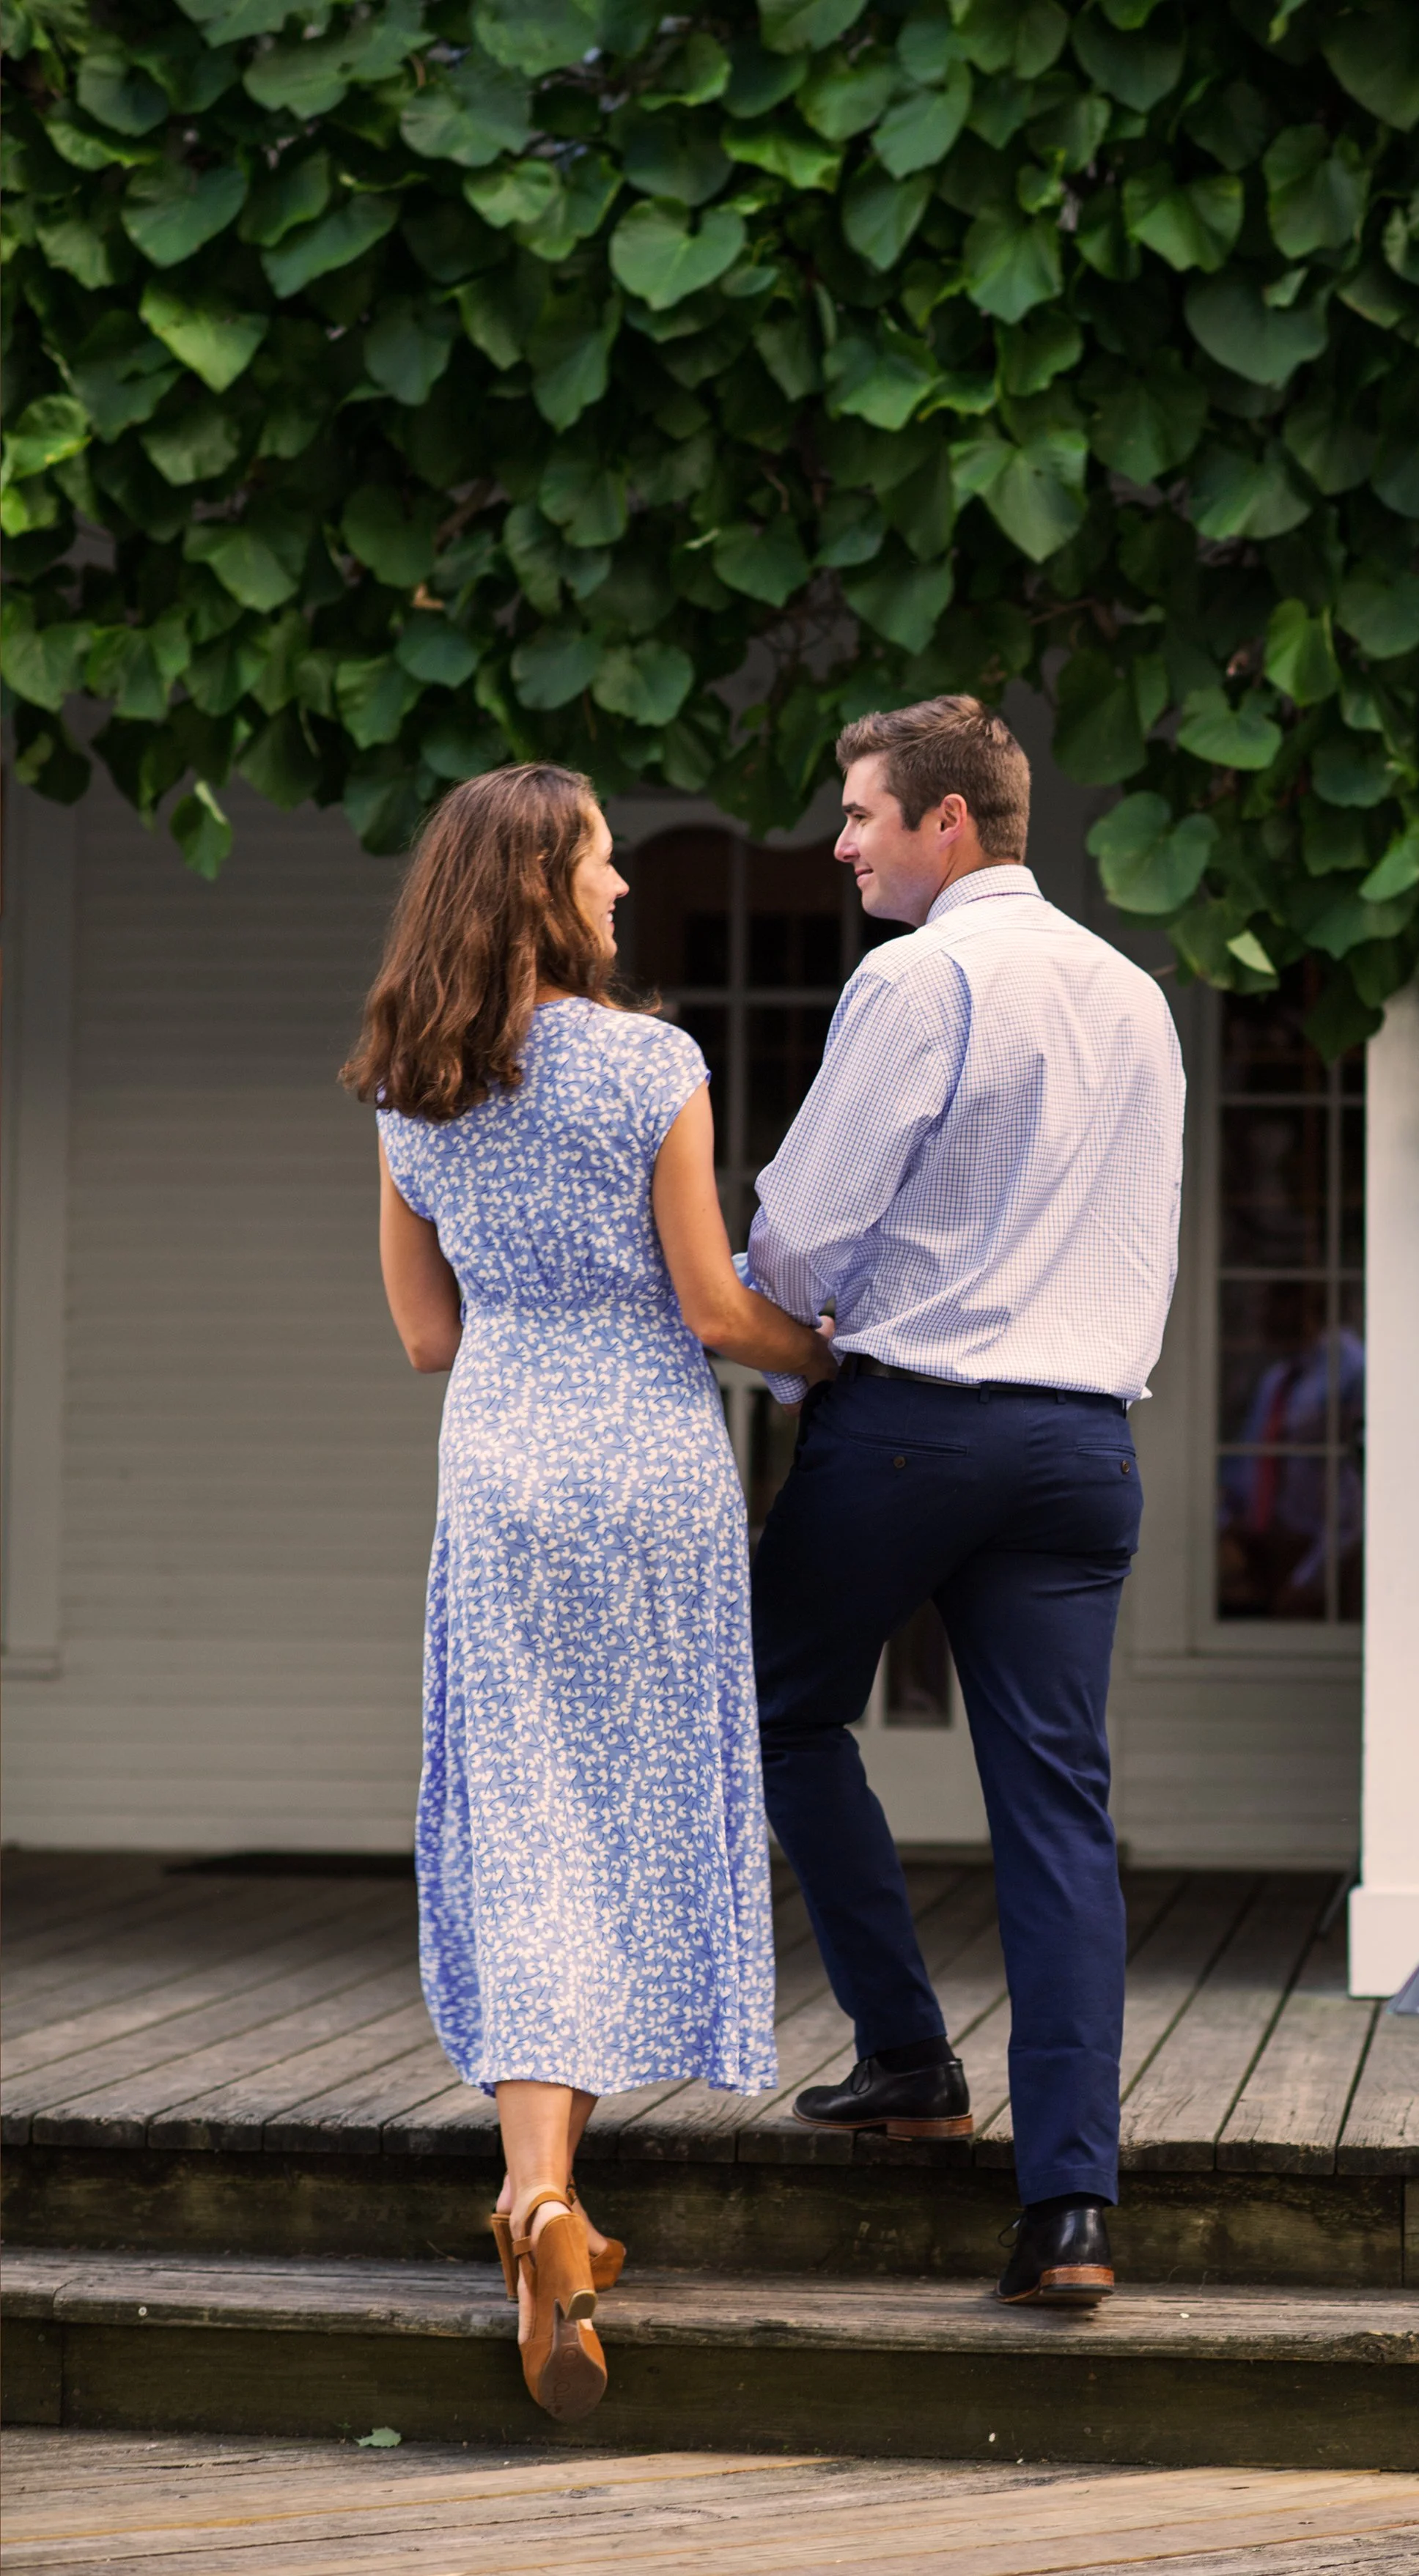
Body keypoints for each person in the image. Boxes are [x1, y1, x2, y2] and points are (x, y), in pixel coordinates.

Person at [340, 764, 834, 2421]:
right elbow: (710, 1303)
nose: (626, 887)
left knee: (528, 1812)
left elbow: (423, 1336)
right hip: (644, 1460)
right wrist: (822, 1352)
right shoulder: (650, 1062)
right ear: (546, 883)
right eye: (608, 864)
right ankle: (546, 2206)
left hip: (499, 1464)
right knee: (625, 1803)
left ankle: (541, 2197)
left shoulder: (412, 1086)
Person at [742, 697, 1185, 2306]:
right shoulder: (1134, 994)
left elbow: (800, 1231)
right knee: (1057, 1810)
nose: (841, 841)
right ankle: (1070, 2207)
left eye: (861, 812)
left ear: (947, 824)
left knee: (776, 1705)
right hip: (1082, 1449)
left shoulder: (916, 973)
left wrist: (784, 1356)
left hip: (914, 1426)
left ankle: (911, 2056)